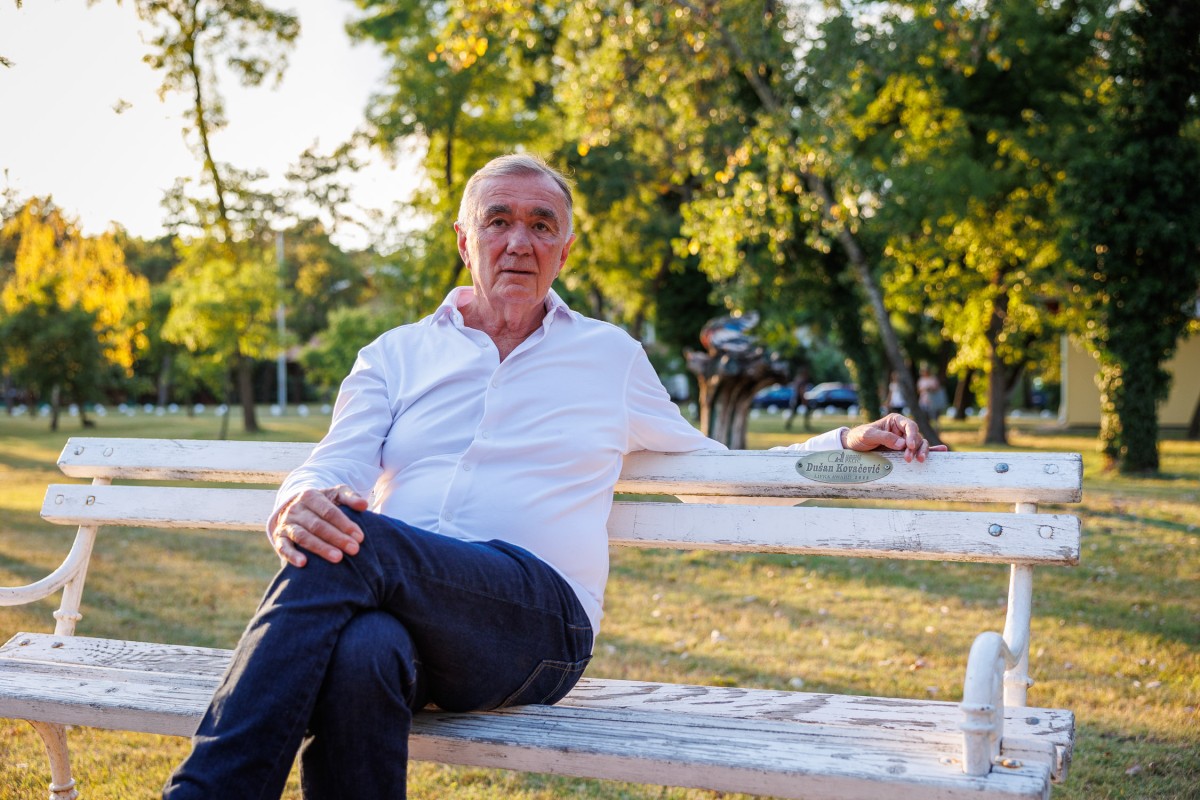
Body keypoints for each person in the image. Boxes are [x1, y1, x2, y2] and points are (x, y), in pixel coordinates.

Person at [162, 154, 943, 800]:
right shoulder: (395, 355)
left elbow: (715, 472)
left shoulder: (608, 357)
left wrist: (846, 442)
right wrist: (301, 498)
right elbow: (338, 458)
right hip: (401, 611)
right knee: (363, 650)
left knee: (353, 546)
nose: (519, 241)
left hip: (539, 626)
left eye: (541, 225)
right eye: (498, 220)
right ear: (464, 239)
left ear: (563, 251)